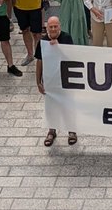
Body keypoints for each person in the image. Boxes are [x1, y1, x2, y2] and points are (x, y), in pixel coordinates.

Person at [36, 16, 76, 147]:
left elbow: (71, 57)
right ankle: (52, 131)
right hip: (50, 80)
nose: (53, 29)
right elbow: (39, 61)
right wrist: (38, 81)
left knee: (68, 105)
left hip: (65, 79)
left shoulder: (66, 38)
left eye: (55, 26)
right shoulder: (42, 41)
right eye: (50, 27)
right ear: (47, 28)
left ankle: (72, 130)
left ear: (60, 26)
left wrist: (59, 47)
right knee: (51, 107)